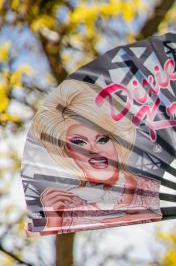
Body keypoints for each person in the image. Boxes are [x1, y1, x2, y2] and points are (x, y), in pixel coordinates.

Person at [27, 79, 161, 235]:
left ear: (117, 142)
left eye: (102, 139)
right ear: (67, 151)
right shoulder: (65, 205)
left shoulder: (151, 188)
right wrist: (53, 223)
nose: (94, 150)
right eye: (79, 143)